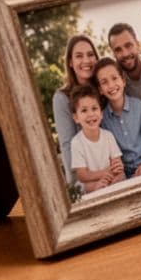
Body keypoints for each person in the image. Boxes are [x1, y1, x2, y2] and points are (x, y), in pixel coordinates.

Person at [95, 57, 141, 178]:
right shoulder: (102, 120)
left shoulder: (139, 107)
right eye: (104, 82)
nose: (111, 85)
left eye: (114, 78)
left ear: (123, 80)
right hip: (122, 176)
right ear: (100, 90)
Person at [51, 35, 98, 178]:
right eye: (79, 56)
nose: (86, 60)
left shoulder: (104, 88)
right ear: (70, 62)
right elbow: (67, 145)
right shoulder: (62, 98)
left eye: (90, 55)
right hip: (87, 177)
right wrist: (77, 186)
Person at [66, 84, 123, 193]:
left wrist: (112, 177)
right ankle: (100, 187)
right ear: (76, 118)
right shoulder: (76, 142)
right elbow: (82, 175)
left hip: (111, 178)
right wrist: (103, 174)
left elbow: (118, 166)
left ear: (101, 114)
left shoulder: (108, 136)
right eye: (84, 110)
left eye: (94, 108)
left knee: (121, 176)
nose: (91, 114)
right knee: (80, 186)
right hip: (91, 182)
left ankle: (108, 188)